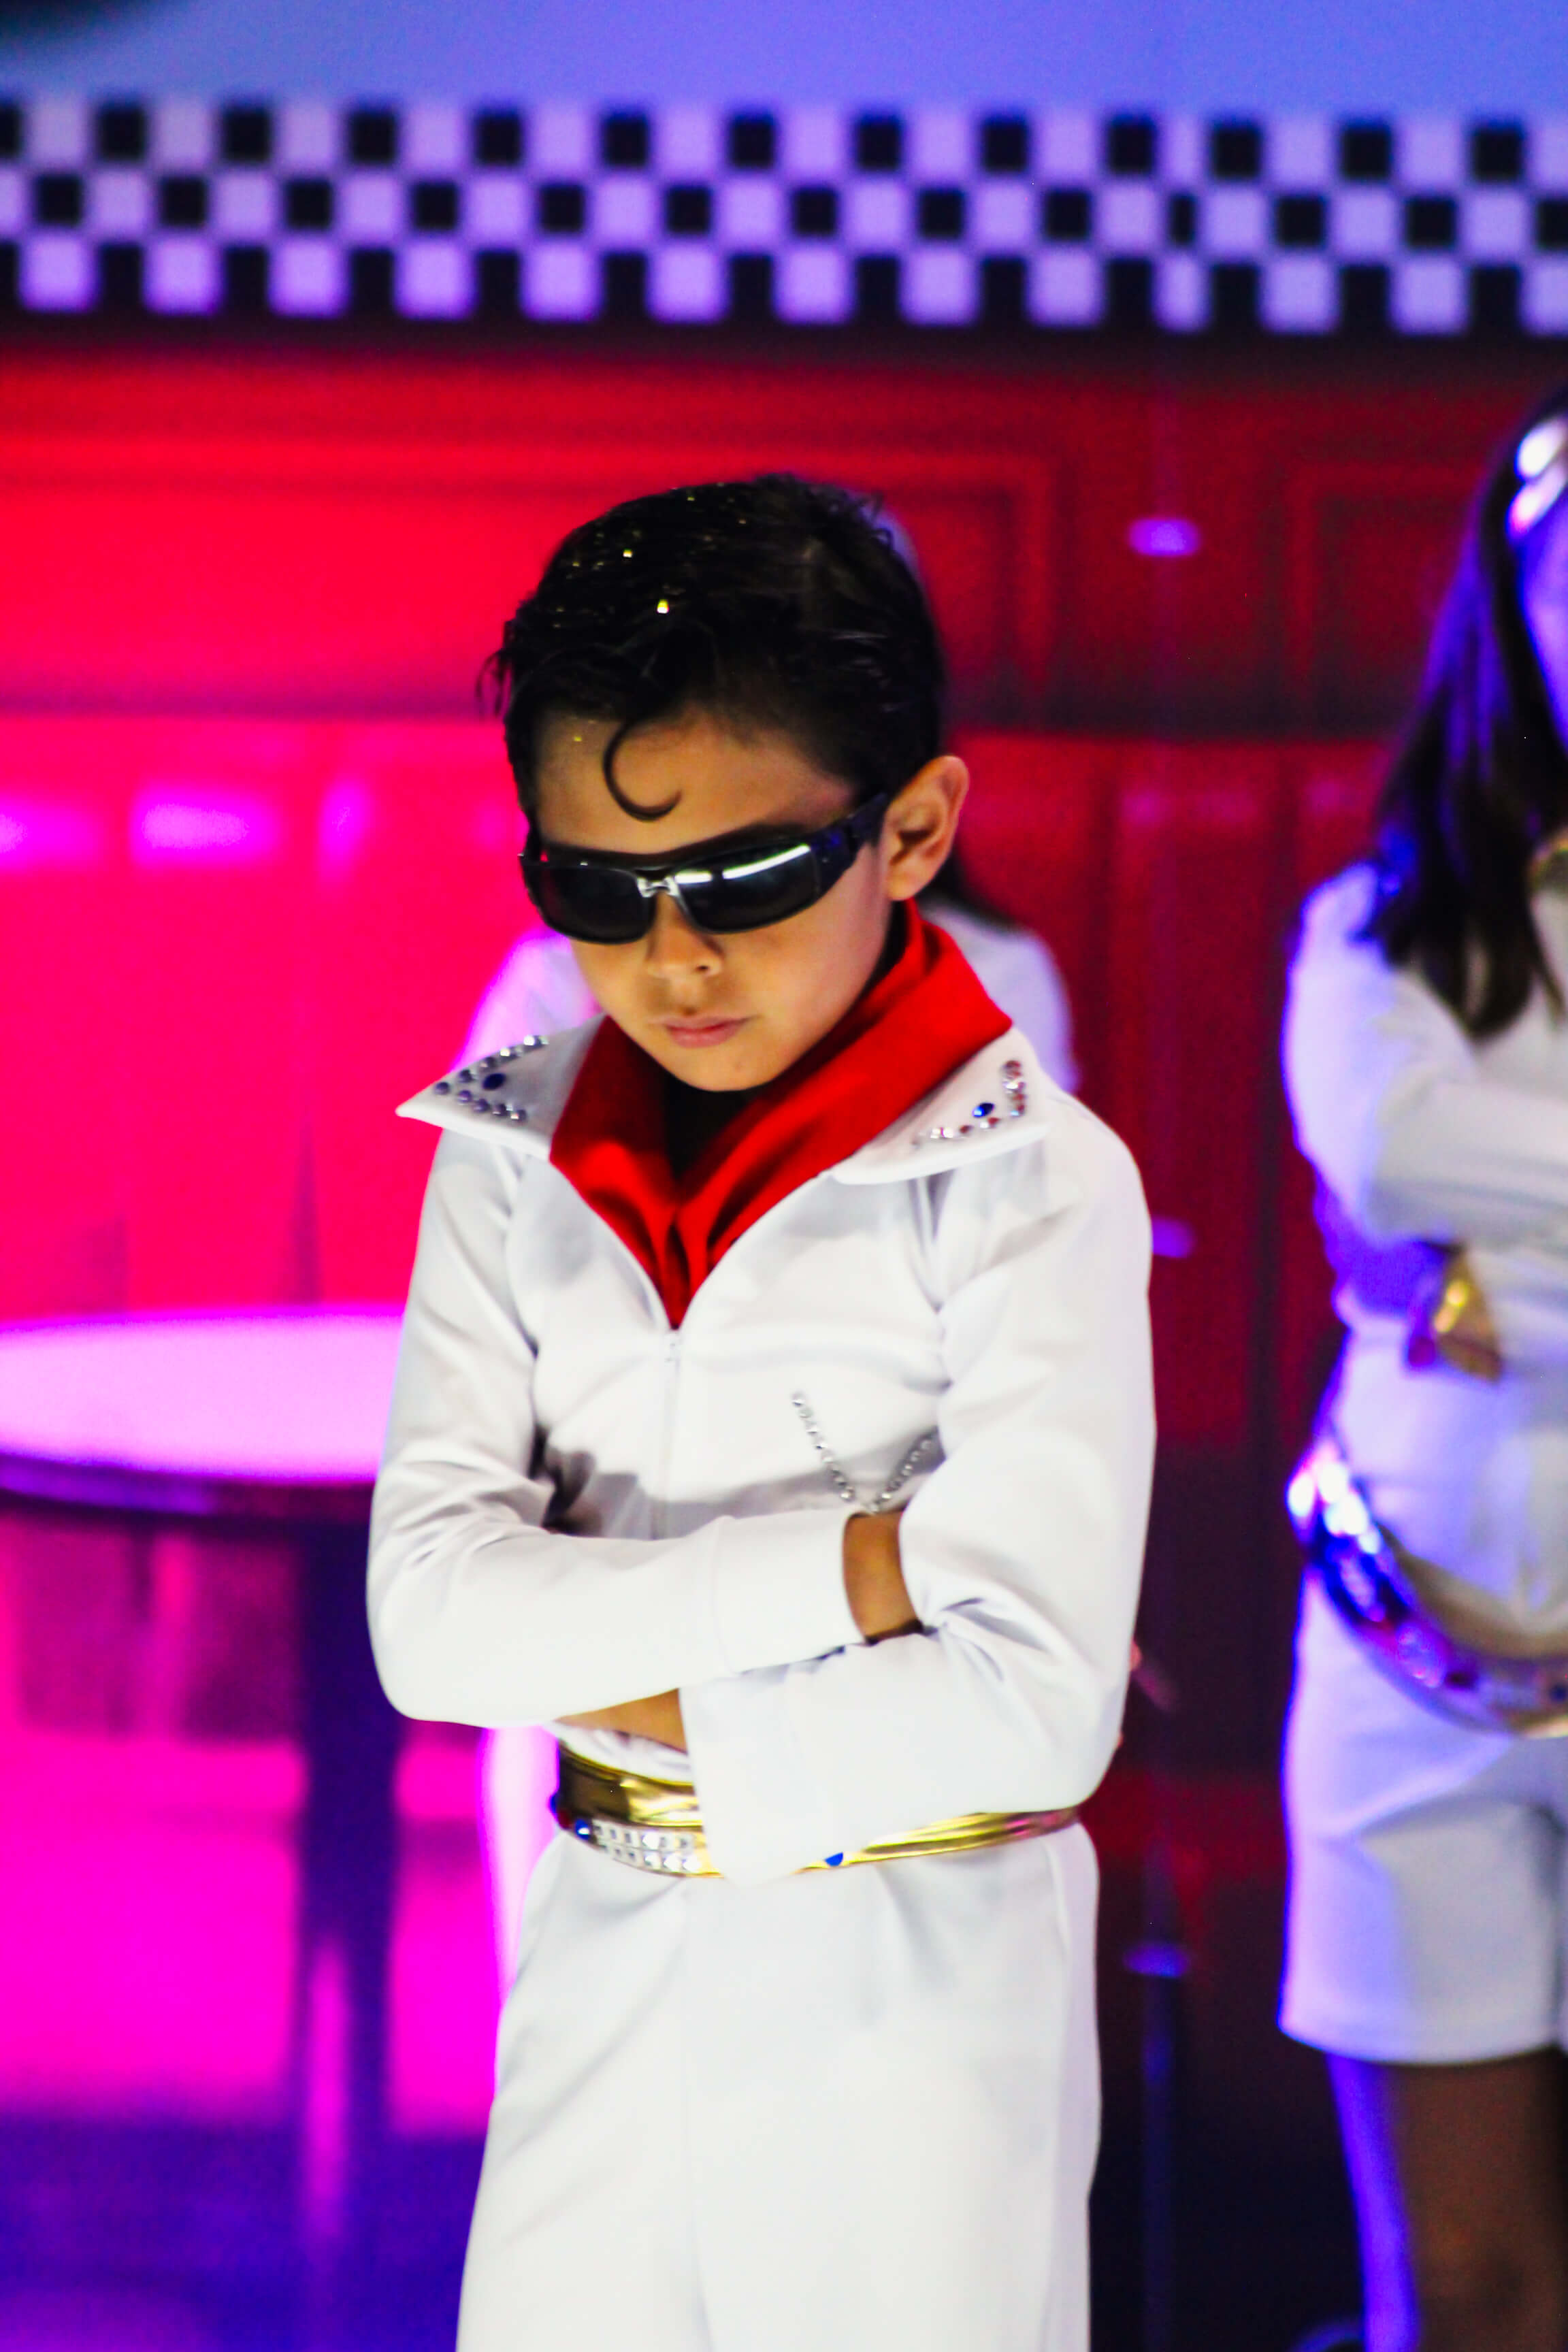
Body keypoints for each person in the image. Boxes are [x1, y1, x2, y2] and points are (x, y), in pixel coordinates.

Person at [368, 475, 1153, 2352]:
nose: (674, 959)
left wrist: (597, 1658)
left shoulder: (1038, 1178)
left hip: (924, 1987)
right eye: (596, 892)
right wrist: (863, 1573)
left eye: (745, 883)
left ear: (917, 826)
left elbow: (1035, 1701)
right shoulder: (506, 1146)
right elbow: (427, 1626)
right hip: (595, 1936)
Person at [463, 822, 1080, 1990]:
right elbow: (510, 1301)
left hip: (880, 1609)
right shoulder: (555, 982)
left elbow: (994, 1307)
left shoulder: (993, 976)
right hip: (612, 1616)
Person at [1282, 391, 1568, 2352]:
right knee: (1455, 2287)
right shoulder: (1376, 927)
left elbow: (1428, 1195)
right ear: (1517, 606)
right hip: (1409, 1650)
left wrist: (1494, 1269)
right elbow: (1384, 1156)